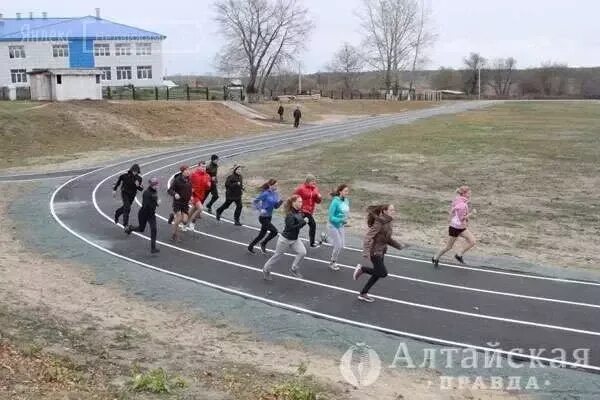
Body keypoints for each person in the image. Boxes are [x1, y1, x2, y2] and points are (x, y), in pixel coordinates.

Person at [353, 204, 405, 303]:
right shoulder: (379, 222)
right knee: (383, 273)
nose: (393, 212)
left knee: (377, 274)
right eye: (391, 210)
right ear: (384, 211)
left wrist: (399, 246)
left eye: (394, 210)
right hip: (375, 251)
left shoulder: (389, 222)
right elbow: (368, 237)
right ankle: (362, 269)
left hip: (381, 251)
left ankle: (363, 293)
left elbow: (387, 239)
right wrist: (366, 251)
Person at [262, 195, 308, 280]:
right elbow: (291, 228)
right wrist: (303, 223)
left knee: (302, 252)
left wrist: (304, 217)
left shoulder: (298, 212)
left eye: (301, 201)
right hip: (285, 240)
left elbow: (298, 223)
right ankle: (266, 269)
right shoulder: (290, 215)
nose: (301, 203)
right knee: (277, 256)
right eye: (299, 202)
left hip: (295, 239)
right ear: (294, 203)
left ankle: (293, 268)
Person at [432, 186, 477, 267]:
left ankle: (459, 255)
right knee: (448, 247)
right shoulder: (462, 205)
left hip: (460, 227)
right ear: (464, 194)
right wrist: (471, 214)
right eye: (469, 193)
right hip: (455, 228)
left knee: (472, 241)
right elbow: (461, 219)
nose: (470, 194)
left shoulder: (459, 200)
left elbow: (453, 212)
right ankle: (436, 257)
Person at [125, 177, 160, 254]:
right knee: (141, 229)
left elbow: (153, 201)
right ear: (151, 185)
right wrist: (155, 203)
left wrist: (157, 203)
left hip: (151, 214)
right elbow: (145, 205)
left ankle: (153, 248)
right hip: (143, 214)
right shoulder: (146, 193)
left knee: (154, 229)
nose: (156, 186)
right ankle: (130, 228)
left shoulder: (155, 191)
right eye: (155, 184)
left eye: (157, 184)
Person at [248, 179, 283, 254]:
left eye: (277, 185)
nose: (276, 187)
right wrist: (261, 209)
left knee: (262, 234)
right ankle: (263, 243)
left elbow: (276, 206)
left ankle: (250, 246)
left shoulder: (275, 194)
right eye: (275, 185)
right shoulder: (265, 193)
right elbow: (255, 201)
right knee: (274, 231)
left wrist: (281, 201)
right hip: (263, 217)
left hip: (269, 217)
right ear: (270, 185)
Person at [293, 174, 322, 247]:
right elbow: (293, 198)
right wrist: (295, 207)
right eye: (313, 181)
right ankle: (312, 243)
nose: (314, 183)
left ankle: (289, 234)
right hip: (302, 210)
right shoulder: (301, 189)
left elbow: (317, 201)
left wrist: (319, 197)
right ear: (308, 181)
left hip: (310, 211)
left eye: (315, 181)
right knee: (312, 224)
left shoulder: (315, 189)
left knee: (299, 225)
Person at [327, 184, 350, 271]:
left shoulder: (346, 201)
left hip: (340, 225)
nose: (347, 193)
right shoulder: (335, 202)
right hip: (332, 225)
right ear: (340, 192)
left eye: (348, 191)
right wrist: (341, 220)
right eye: (345, 191)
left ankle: (327, 239)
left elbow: (345, 212)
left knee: (342, 245)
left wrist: (346, 221)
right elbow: (331, 217)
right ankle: (332, 262)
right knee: (338, 245)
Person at [167, 165, 192, 241]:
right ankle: (175, 235)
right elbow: (169, 190)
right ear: (182, 171)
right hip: (178, 203)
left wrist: (191, 197)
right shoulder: (177, 180)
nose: (188, 172)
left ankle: (173, 217)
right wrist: (175, 194)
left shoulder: (189, 179)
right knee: (179, 218)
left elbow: (189, 189)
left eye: (189, 170)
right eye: (186, 170)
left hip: (185, 203)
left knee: (185, 221)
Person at [187, 161, 212, 231]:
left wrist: (208, 185)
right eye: (202, 167)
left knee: (191, 212)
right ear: (198, 167)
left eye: (205, 167)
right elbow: (188, 184)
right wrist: (190, 195)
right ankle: (192, 222)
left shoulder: (207, 176)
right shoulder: (193, 174)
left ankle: (183, 223)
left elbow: (207, 188)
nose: (204, 168)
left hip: (201, 196)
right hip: (194, 195)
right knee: (200, 208)